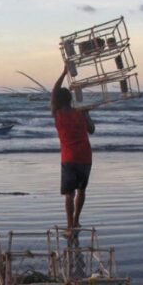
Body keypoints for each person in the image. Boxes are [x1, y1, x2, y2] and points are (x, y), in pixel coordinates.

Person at [51, 65, 95, 237]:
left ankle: (70, 227)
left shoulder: (58, 114)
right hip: (85, 157)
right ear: (70, 99)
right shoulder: (80, 113)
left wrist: (63, 72)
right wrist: (87, 114)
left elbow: (54, 92)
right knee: (81, 190)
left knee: (69, 194)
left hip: (69, 158)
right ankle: (75, 221)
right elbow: (92, 129)